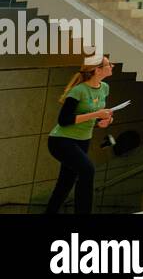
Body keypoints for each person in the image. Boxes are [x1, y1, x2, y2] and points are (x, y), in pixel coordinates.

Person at [45, 53, 115, 214]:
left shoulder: (104, 88)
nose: (112, 67)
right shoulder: (78, 91)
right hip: (61, 141)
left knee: (65, 183)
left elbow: (96, 117)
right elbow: (64, 120)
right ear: (97, 70)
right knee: (87, 170)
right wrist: (96, 115)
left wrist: (104, 121)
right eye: (108, 64)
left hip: (82, 141)